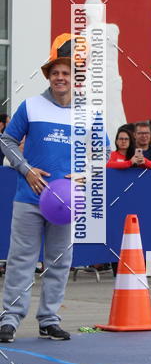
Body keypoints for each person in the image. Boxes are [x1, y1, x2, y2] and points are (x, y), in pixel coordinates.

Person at [0, 36, 76, 342]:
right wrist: (27, 169)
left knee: (60, 261)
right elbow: (6, 140)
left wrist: (82, 177)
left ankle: (49, 319)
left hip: (66, 202)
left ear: (75, 78)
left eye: (66, 73)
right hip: (29, 197)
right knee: (22, 259)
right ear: (48, 76)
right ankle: (9, 319)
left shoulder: (88, 113)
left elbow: (100, 151)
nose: (61, 77)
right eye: (56, 72)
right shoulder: (30, 106)